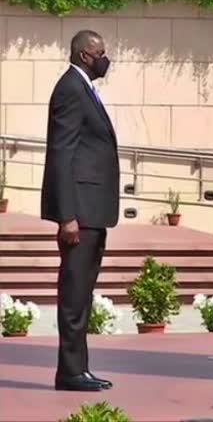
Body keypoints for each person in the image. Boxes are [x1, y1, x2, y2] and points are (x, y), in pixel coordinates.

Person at [41, 30, 119, 392]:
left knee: (83, 293)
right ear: (85, 55)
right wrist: (66, 215)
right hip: (80, 214)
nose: (107, 59)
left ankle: (79, 369)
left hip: (93, 212)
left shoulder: (84, 87)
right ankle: (70, 371)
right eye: (101, 53)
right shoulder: (71, 89)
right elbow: (61, 153)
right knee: (73, 294)